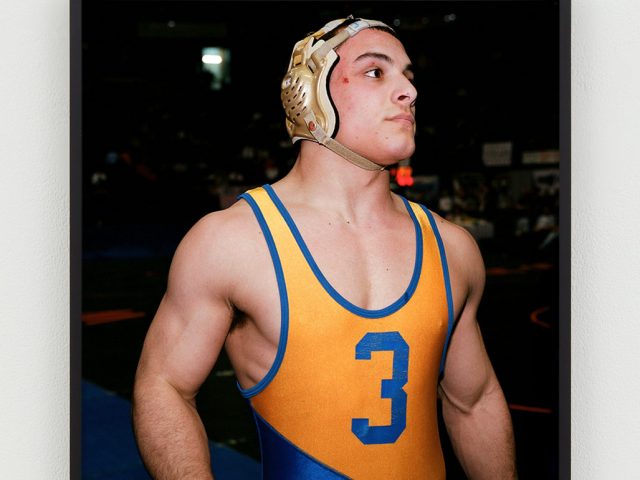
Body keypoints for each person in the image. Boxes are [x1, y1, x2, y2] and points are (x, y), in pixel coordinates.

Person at [132, 16, 517, 479]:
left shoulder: (452, 248)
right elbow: (164, 385)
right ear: (309, 94)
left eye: (408, 76)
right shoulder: (232, 242)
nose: (409, 92)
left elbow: (473, 402)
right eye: (376, 72)